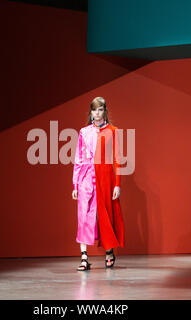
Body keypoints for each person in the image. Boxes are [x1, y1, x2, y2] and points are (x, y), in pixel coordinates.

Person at [72, 96, 125, 271]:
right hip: (86, 177)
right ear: (91, 112)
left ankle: (109, 251)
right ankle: (84, 258)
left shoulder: (113, 131)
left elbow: (117, 158)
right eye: (94, 110)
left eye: (100, 109)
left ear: (105, 111)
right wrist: (75, 184)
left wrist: (117, 184)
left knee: (105, 213)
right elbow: (78, 159)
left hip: (105, 177)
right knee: (84, 215)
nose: (97, 113)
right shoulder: (84, 132)